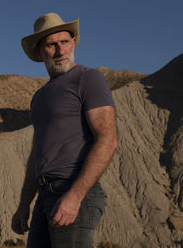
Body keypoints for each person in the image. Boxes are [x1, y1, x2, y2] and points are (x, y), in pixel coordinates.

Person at [11, 13, 118, 248]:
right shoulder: (39, 97)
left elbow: (107, 139)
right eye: (52, 44)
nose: (61, 50)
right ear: (40, 52)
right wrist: (24, 204)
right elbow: (37, 155)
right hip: (44, 195)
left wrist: (75, 195)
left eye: (65, 41)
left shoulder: (88, 78)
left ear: (73, 42)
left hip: (73, 191)